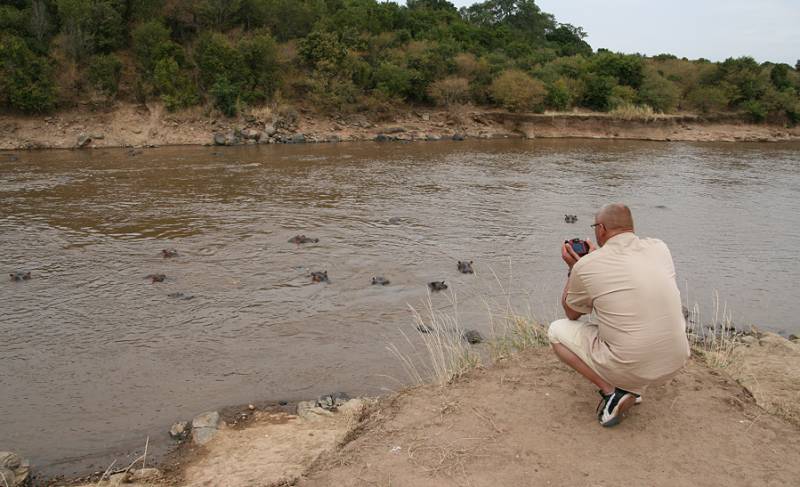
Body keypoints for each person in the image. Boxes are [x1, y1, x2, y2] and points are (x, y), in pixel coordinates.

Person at [548, 203, 690, 427]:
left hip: (632, 362)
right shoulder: (660, 247)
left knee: (556, 331)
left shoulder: (587, 265)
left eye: (595, 226)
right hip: (675, 359)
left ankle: (613, 392)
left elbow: (572, 313)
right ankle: (633, 387)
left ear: (601, 229)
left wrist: (574, 269)